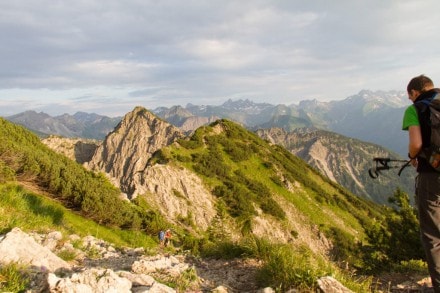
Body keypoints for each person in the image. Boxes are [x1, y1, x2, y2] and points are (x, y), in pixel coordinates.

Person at [402, 74, 440, 291]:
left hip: (433, 175)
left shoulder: (415, 109)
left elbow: (416, 143)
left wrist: (413, 155)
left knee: (433, 234)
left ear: (415, 93)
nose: (411, 101)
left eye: (410, 97)